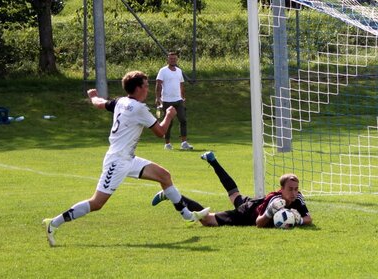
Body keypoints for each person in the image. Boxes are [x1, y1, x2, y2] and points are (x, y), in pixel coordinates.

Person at [42, 71, 209, 247]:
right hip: (117, 161)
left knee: (164, 176)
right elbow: (160, 132)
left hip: (128, 158)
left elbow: (100, 104)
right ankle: (53, 223)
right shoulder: (139, 109)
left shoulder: (121, 101)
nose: (148, 89)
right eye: (145, 86)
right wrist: (169, 115)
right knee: (97, 203)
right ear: (137, 88)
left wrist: (93, 96)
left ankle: (187, 215)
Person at [152, 151, 312, 228]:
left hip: (256, 203)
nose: (294, 192)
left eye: (296, 189)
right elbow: (258, 223)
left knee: (234, 194)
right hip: (248, 213)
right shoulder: (275, 200)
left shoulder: (297, 197)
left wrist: (297, 220)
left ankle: (213, 161)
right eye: (290, 189)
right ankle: (172, 195)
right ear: (281, 189)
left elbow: (309, 219)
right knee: (208, 220)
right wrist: (270, 213)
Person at [155, 52, 193, 150]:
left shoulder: (179, 71)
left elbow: (181, 85)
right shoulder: (163, 71)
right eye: (171, 58)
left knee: (183, 120)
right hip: (167, 101)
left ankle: (184, 143)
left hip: (178, 100)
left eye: (174, 59)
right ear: (168, 60)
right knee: (169, 122)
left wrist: (183, 97)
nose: (173, 60)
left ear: (177, 60)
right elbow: (158, 84)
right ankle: (167, 144)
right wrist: (158, 98)